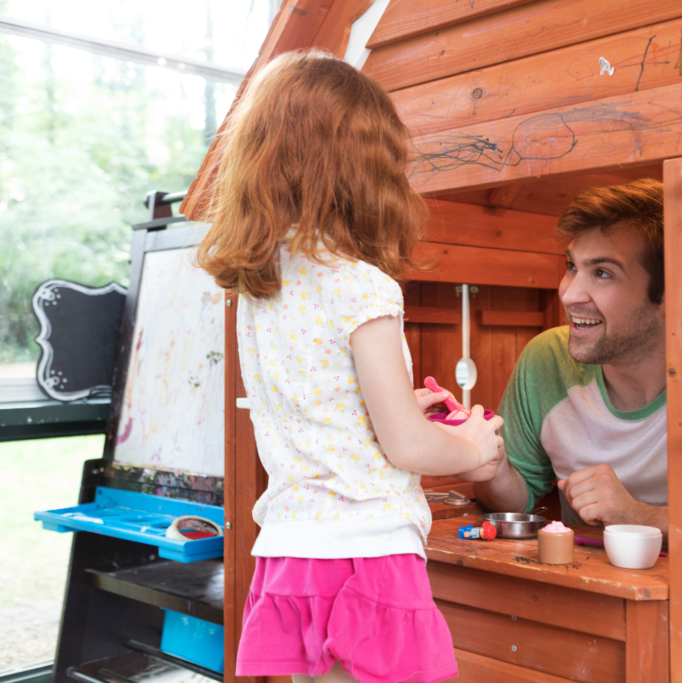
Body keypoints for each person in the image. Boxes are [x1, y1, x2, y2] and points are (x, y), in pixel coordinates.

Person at [196, 50, 503, 683]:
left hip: (290, 553)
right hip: (367, 552)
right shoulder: (364, 288)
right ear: (367, 170)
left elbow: (315, 406)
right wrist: (472, 444)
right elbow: (407, 446)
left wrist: (389, 409)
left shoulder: (260, 291)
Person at [459, 180, 682, 534]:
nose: (568, 295)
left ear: (672, 292)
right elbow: (519, 500)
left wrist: (639, 517)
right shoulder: (545, 358)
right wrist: (493, 469)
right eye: (571, 266)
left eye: (602, 273)